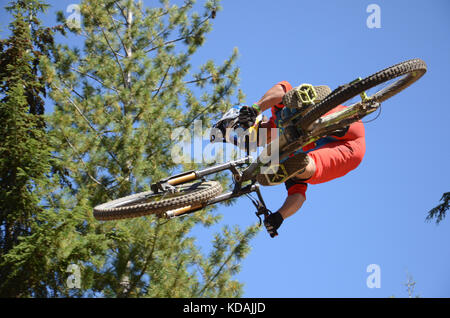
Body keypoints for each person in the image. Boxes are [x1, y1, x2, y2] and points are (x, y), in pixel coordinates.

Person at [238, 81, 366, 236]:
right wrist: (280, 216)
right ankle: (301, 167)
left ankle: (308, 107)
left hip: (347, 131)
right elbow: (297, 194)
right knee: (306, 171)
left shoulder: (278, 116)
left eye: (257, 133)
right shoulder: (280, 155)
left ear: (260, 124)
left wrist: (256, 108)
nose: (259, 139)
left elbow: (283, 88)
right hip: (345, 152)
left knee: (289, 107)